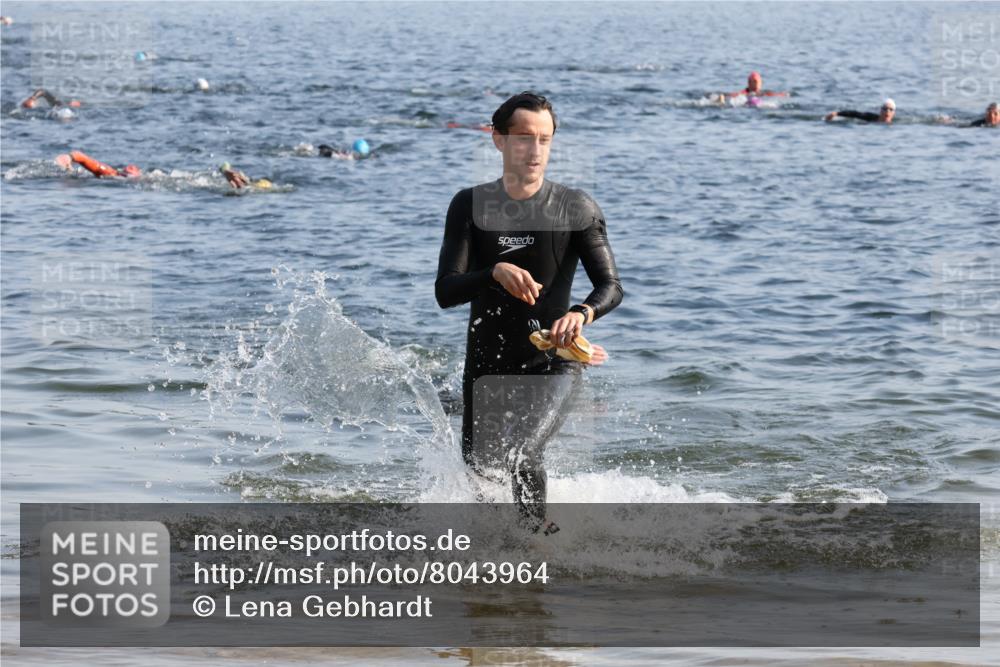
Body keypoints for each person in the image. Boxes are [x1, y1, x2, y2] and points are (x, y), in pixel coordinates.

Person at [435, 91, 623, 534]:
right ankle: (494, 559)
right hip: (487, 361)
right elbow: (446, 291)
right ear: (498, 139)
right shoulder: (469, 205)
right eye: (523, 138)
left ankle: (539, 544)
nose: (535, 150)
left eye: (544, 139)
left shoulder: (575, 207)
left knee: (523, 454)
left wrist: (582, 313)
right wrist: (493, 272)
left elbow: (611, 286)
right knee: (481, 471)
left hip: (554, 360)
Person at [56, 151, 141, 178]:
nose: (131, 167)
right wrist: (70, 157)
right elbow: (84, 159)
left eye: (133, 168)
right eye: (131, 168)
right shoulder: (108, 172)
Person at [825, 98, 896, 123]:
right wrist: (836, 114)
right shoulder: (871, 117)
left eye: (891, 109)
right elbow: (855, 114)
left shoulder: (895, 126)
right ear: (880, 110)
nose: (888, 111)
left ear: (893, 113)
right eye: (885, 109)